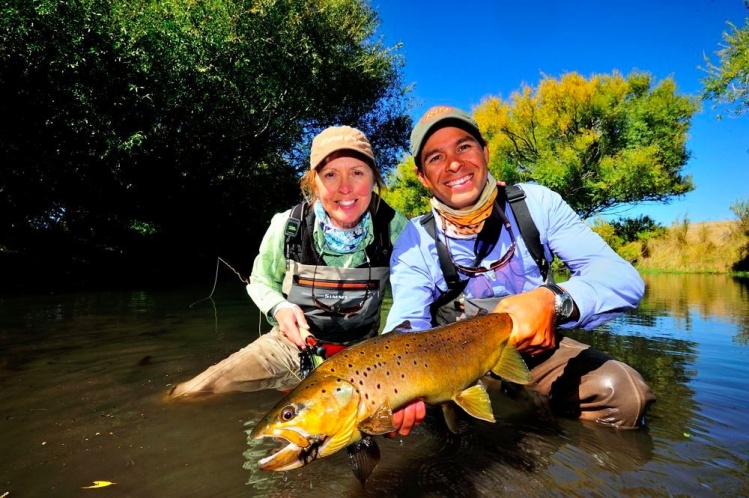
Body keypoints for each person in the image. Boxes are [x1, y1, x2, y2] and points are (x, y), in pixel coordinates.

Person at [384, 106, 655, 434]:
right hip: (458, 366)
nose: (454, 163)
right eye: (436, 157)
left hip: (539, 351)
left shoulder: (537, 205)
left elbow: (623, 279)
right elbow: (406, 324)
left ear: (485, 152)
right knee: (444, 425)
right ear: (422, 177)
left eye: (464, 146)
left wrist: (553, 301)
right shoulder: (414, 240)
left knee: (625, 395)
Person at [171, 126, 408, 397]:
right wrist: (280, 308)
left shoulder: (396, 228)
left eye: (357, 172)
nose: (345, 187)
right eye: (330, 174)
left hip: (364, 355)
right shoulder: (287, 225)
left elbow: (413, 298)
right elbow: (260, 280)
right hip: (290, 347)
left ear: (374, 178)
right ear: (313, 182)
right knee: (191, 392)